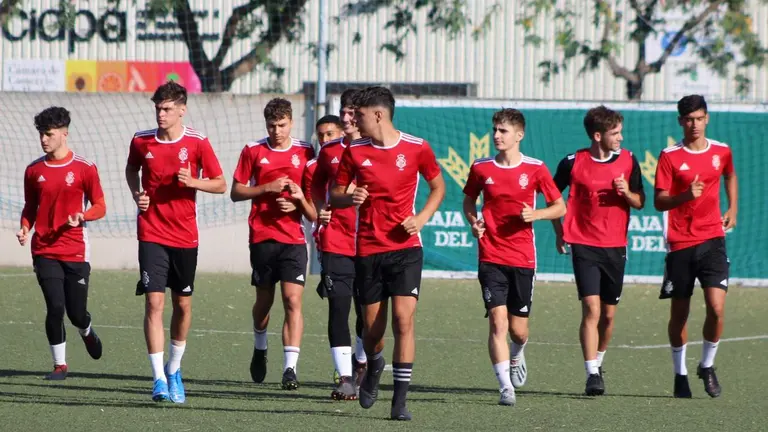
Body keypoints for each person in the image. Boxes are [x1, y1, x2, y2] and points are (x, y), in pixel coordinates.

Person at [331, 86, 446, 421]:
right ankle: (375, 363)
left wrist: (421, 218)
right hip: (368, 250)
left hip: (406, 250)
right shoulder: (354, 151)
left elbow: (438, 187)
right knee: (373, 333)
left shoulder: (416, 147)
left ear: (378, 115)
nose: (353, 120)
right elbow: (335, 194)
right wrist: (349, 198)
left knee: (403, 320)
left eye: (359, 115)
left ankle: (400, 401)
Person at [125, 81, 227, 403]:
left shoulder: (197, 142)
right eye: (158, 108)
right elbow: (131, 170)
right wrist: (137, 194)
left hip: (184, 236)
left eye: (167, 108)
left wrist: (193, 181)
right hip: (151, 233)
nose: (161, 113)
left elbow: (221, 184)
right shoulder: (141, 141)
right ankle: (157, 379)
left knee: (182, 306)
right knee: (154, 303)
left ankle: (174, 368)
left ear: (182, 110)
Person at [463, 108, 565, 406]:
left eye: (503, 131)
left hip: (522, 259)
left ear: (519, 135)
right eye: (495, 129)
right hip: (490, 256)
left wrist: (537, 214)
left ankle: (518, 353)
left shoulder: (536, 168)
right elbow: (469, 200)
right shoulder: (481, 167)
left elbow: (559, 206)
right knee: (498, 323)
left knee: (518, 331)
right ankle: (505, 387)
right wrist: (474, 221)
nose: (496, 135)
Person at [551, 105, 645, 396]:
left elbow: (640, 201)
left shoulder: (628, 160)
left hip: (615, 247)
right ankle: (592, 372)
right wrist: (559, 231)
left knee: (608, 316)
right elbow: (553, 197)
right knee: (591, 309)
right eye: (615, 133)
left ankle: (599, 361)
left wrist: (626, 192)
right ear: (597, 135)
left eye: (620, 132)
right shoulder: (572, 162)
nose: (620, 137)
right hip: (584, 244)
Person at [654, 95, 737, 399]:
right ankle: (680, 374)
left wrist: (733, 208)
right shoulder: (669, 156)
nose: (694, 124)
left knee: (716, 308)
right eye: (689, 119)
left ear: (707, 118)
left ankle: (707, 365)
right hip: (680, 243)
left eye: (699, 118)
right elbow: (659, 201)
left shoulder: (721, 151)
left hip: (713, 239)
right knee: (680, 314)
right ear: (680, 121)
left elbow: (730, 175)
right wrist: (685, 196)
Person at [231, 97, 316, 391]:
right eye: (271, 126)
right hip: (263, 236)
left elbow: (312, 196)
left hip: (294, 239)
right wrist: (266, 187)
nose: (276, 131)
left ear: (291, 122)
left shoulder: (306, 151)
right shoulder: (253, 150)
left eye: (281, 125)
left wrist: (297, 204)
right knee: (264, 302)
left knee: (292, 300)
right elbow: (236, 192)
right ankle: (260, 345)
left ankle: (290, 368)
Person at [18, 106, 106, 381]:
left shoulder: (84, 168)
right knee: (55, 307)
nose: (43, 139)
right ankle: (60, 366)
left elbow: (100, 205)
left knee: (76, 313)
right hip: (44, 249)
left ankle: (86, 330)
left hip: (75, 250)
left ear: (64, 133)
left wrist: (83, 216)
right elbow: (30, 206)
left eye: (49, 134)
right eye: (41, 134)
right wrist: (25, 227)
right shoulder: (33, 170)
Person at [310, 91, 368, 400]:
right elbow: (316, 185)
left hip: (370, 242)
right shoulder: (329, 151)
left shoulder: (379, 149)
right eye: (343, 112)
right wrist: (321, 209)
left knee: (367, 313)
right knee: (338, 306)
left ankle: (361, 361)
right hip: (335, 240)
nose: (346, 118)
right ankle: (345, 378)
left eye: (351, 113)